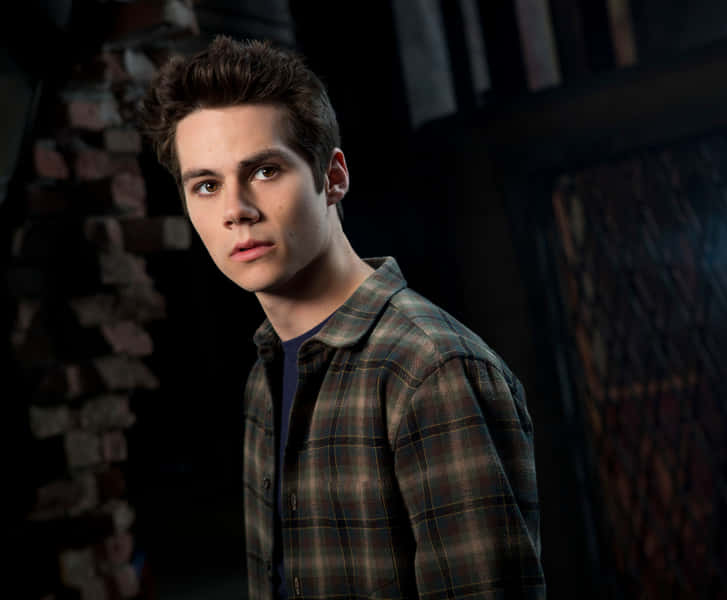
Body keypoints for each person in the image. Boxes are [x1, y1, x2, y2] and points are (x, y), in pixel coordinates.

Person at [139, 35, 544, 599]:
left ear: (332, 177)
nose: (235, 211)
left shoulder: (433, 371)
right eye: (206, 185)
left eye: (263, 171)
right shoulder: (266, 374)